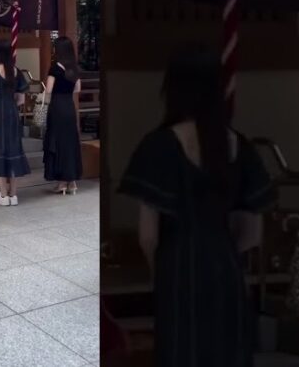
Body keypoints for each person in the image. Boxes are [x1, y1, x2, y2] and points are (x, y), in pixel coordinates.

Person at [118, 44, 275, 367]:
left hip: (180, 267)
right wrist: (221, 249)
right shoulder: (238, 145)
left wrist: (159, 272)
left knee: (183, 353)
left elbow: (148, 236)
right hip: (226, 266)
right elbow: (253, 233)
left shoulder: (160, 145)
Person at [0, 39, 30, 206]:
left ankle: (3, 196)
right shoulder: (16, 72)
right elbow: (21, 100)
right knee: (14, 149)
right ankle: (14, 195)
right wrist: (11, 107)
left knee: (0, 150)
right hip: (13, 113)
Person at [42, 36, 83, 194]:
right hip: (69, 106)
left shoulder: (55, 68)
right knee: (70, 142)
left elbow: (49, 90)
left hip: (57, 106)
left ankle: (61, 184)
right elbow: (78, 89)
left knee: (58, 142)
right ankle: (72, 182)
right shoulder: (74, 68)